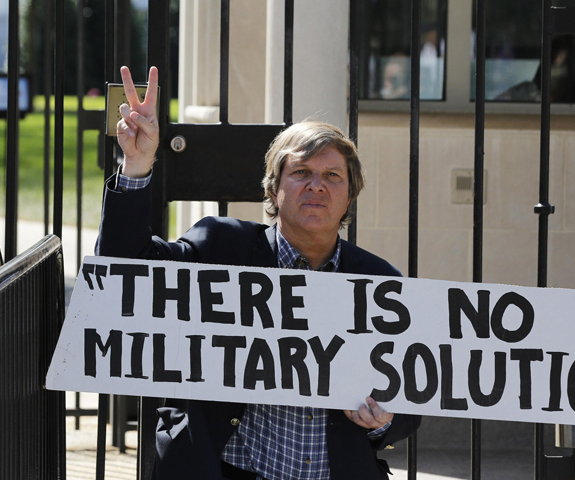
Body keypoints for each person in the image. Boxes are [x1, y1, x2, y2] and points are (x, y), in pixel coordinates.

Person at [96, 66, 422, 480]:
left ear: (349, 196)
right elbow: (123, 272)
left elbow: (412, 403)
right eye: (301, 172)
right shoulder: (219, 247)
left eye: (332, 176)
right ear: (274, 188)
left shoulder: (380, 285)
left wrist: (385, 420)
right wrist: (137, 164)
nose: (316, 185)